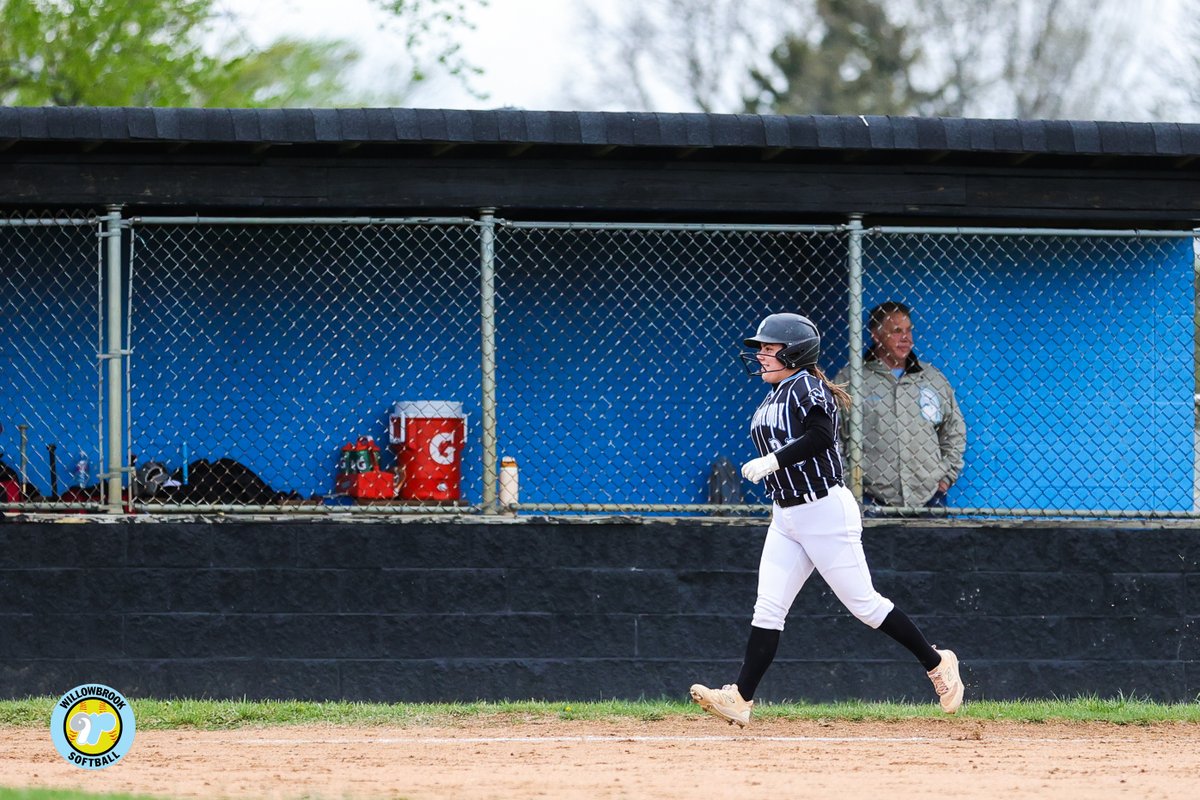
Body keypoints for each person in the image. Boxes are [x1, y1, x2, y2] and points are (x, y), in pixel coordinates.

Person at [688, 312, 963, 727]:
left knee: (865, 606)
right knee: (768, 608)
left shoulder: (807, 386)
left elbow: (819, 436)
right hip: (787, 515)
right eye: (760, 347)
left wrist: (773, 461)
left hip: (824, 511)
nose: (761, 354)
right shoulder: (775, 393)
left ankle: (937, 662)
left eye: (769, 347)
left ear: (794, 351)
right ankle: (742, 698)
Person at [834, 301, 965, 508]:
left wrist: (946, 477)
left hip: (929, 497)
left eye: (908, 330)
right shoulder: (851, 380)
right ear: (876, 336)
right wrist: (850, 482)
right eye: (896, 331)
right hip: (870, 498)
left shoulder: (932, 379)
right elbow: (832, 436)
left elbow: (954, 429)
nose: (906, 338)